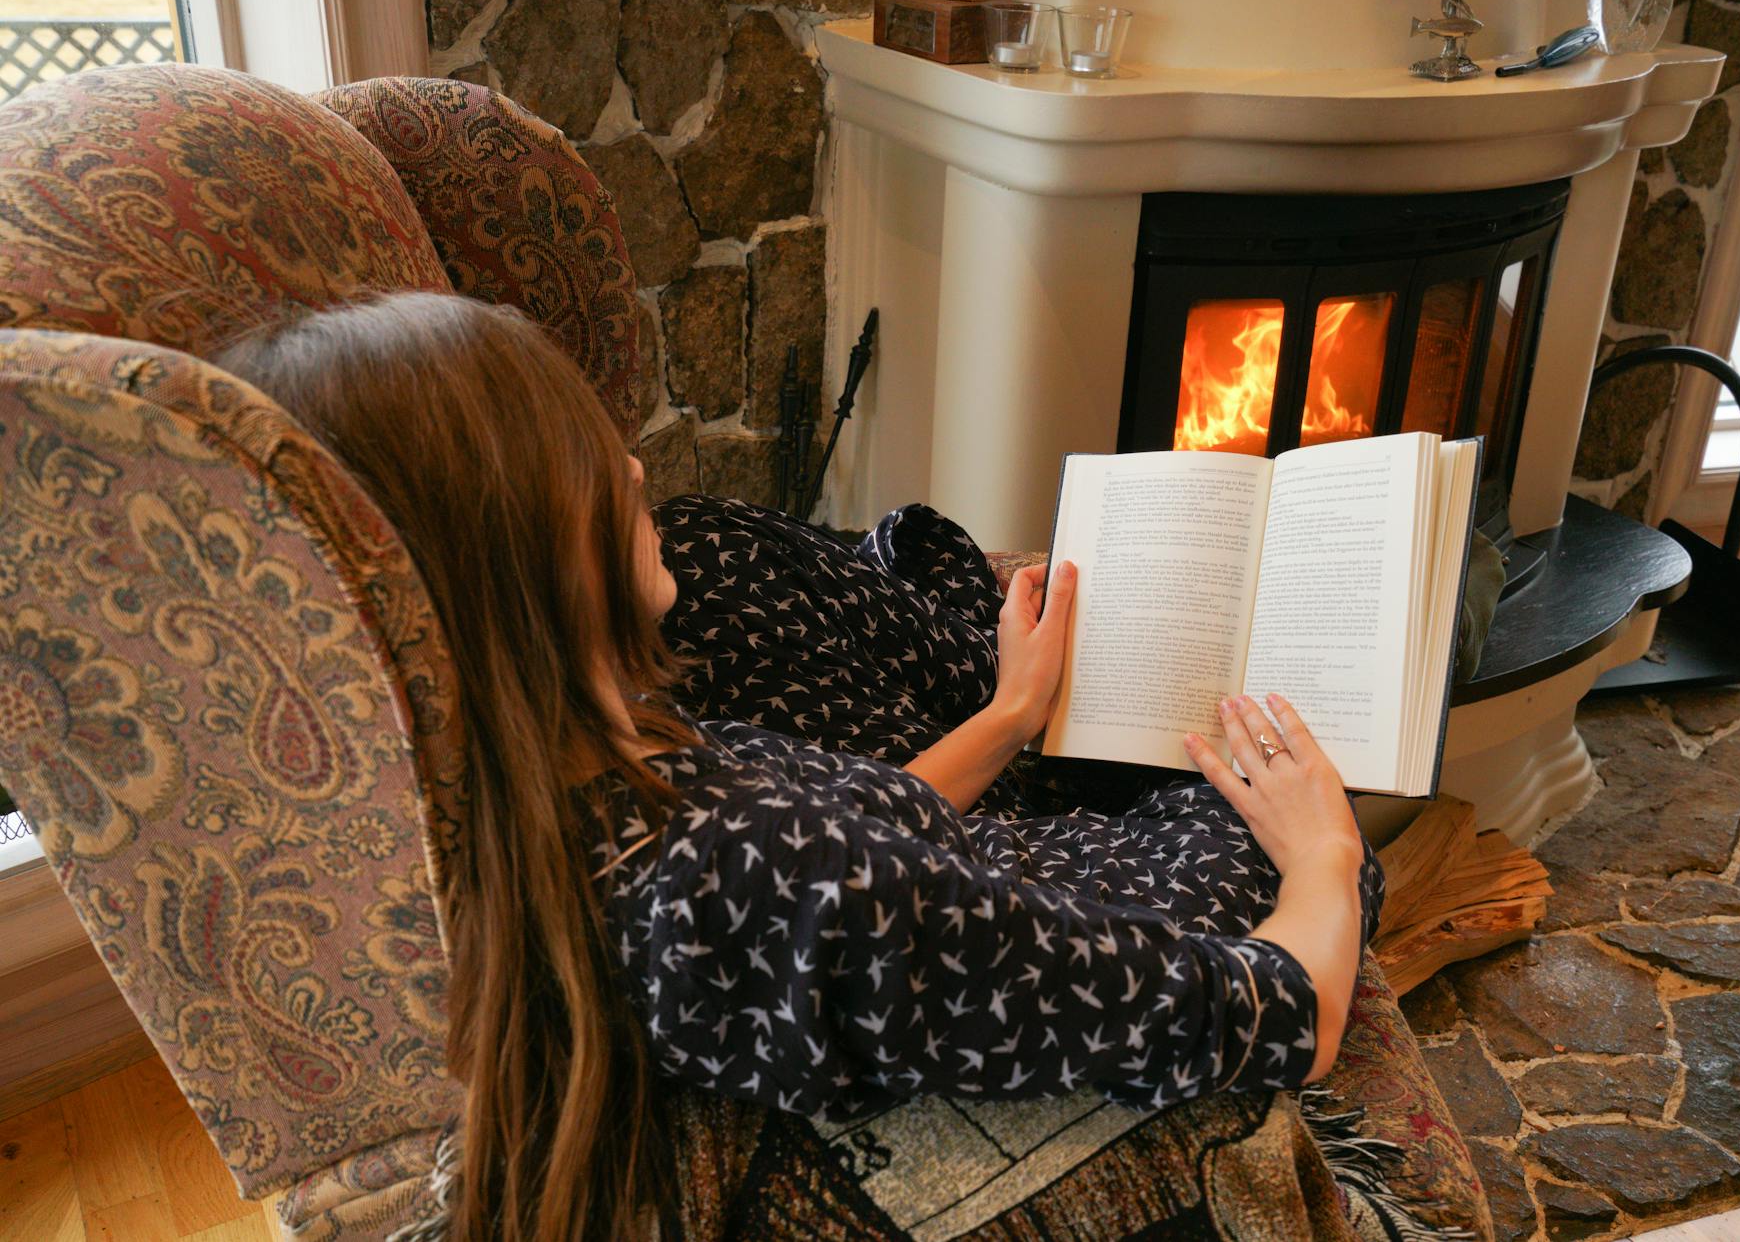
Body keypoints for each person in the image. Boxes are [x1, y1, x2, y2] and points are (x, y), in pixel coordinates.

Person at [213, 292, 1381, 1242]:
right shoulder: (762, 872)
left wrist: (1011, 710)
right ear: (500, 565)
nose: (626, 467)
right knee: (1267, 825)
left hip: (942, 885)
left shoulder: (557, 791)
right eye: (575, 461)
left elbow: (875, 816)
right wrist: (1324, 851)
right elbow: (1276, 1016)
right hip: (1065, 929)